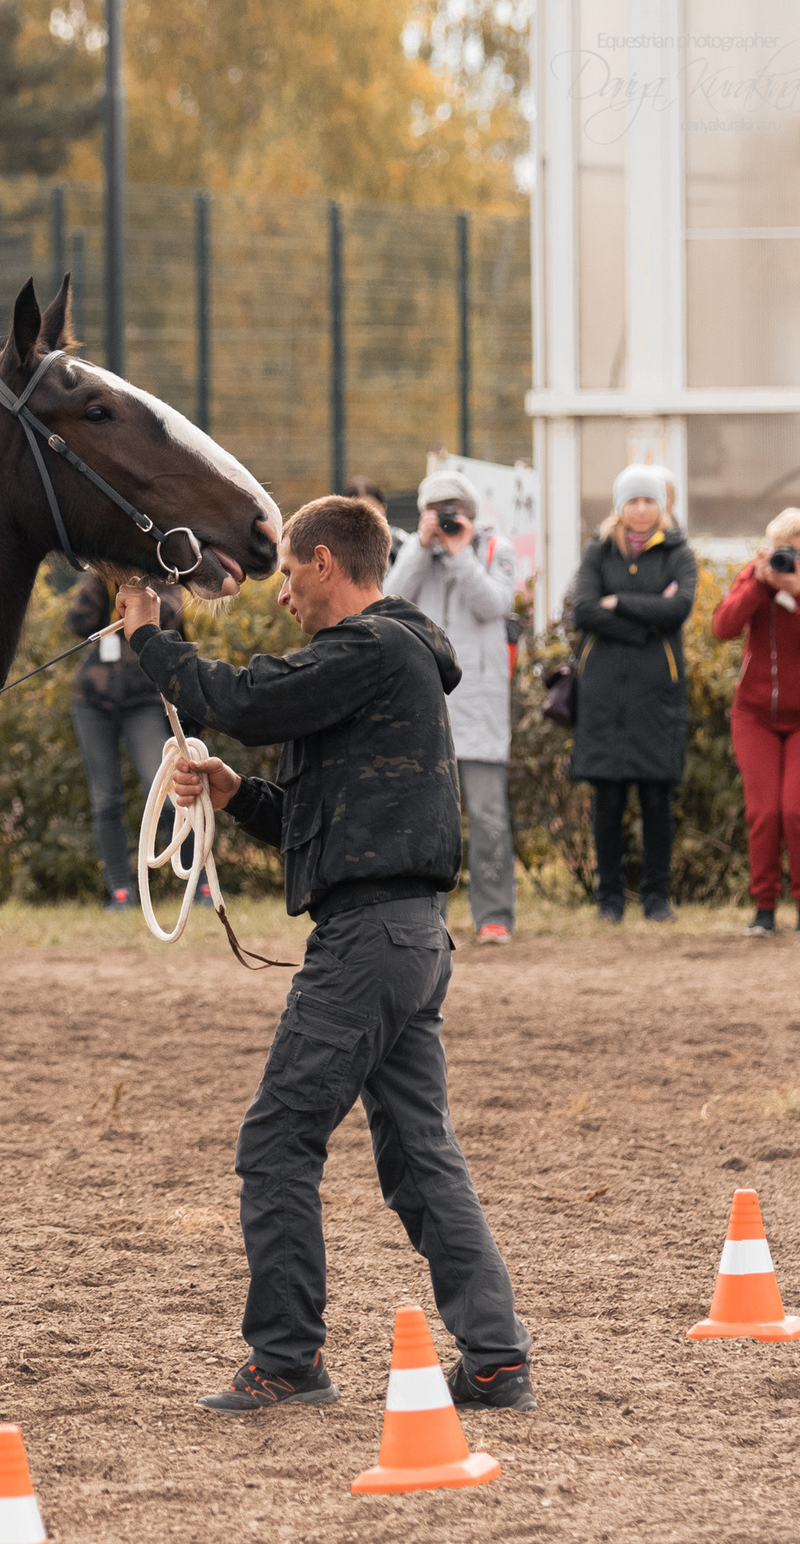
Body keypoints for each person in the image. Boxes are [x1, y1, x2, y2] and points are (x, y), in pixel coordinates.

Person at [115, 495, 530, 1416]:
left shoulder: (370, 649)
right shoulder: (388, 662)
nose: (282, 597)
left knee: (276, 1142)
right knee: (422, 1157)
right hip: (408, 936)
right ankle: (497, 1359)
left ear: (325, 564)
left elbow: (245, 699)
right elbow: (324, 815)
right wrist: (233, 793)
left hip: (370, 943)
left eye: (290, 574)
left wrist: (150, 636)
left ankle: (288, 1360)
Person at [386, 468, 520, 943]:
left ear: (470, 513)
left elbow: (493, 604)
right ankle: (428, 918)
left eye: (452, 510)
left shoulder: (493, 551)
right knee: (427, 822)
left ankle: (495, 916)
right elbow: (389, 599)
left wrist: (461, 553)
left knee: (487, 819)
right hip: (426, 706)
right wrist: (423, 547)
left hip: (480, 707)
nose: (444, 519)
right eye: (435, 510)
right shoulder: (414, 554)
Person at [568, 464, 696, 924]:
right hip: (603, 694)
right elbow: (583, 608)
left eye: (650, 501)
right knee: (608, 799)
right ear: (620, 506)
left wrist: (617, 602)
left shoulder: (679, 552)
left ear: (663, 506)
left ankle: (657, 898)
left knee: (656, 798)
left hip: (657, 695)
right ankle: (609, 900)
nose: (641, 509)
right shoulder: (598, 550)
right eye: (634, 501)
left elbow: (679, 607)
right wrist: (647, 620)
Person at [713, 509, 800, 937]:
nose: (797, 564)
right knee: (764, 812)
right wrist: (759, 585)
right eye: (789, 554)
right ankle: (764, 910)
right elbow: (723, 626)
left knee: (795, 809)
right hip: (754, 715)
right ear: (771, 550)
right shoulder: (756, 576)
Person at [65, 570, 191, 910]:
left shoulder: (165, 576)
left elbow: (170, 619)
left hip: (144, 701)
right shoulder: (101, 575)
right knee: (106, 801)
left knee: (168, 793)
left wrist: (138, 589)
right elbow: (78, 622)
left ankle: (197, 884)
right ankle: (120, 891)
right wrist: (99, 577)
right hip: (92, 700)